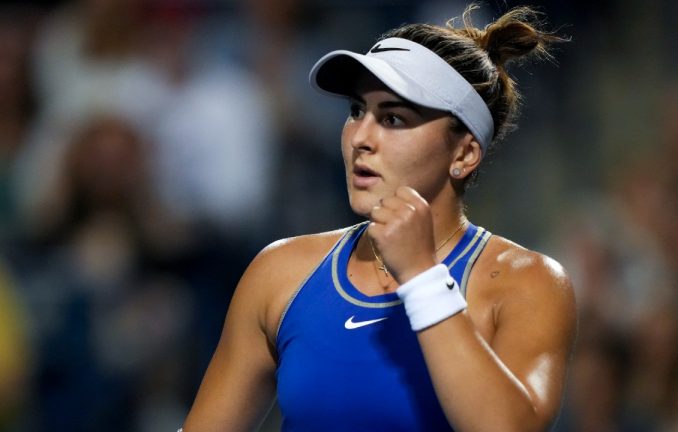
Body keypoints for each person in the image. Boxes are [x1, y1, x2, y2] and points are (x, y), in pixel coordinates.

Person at [182, 5, 576, 431]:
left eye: (392, 118)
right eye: (356, 112)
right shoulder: (278, 273)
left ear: (463, 153)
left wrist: (423, 277)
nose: (361, 138)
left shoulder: (529, 283)